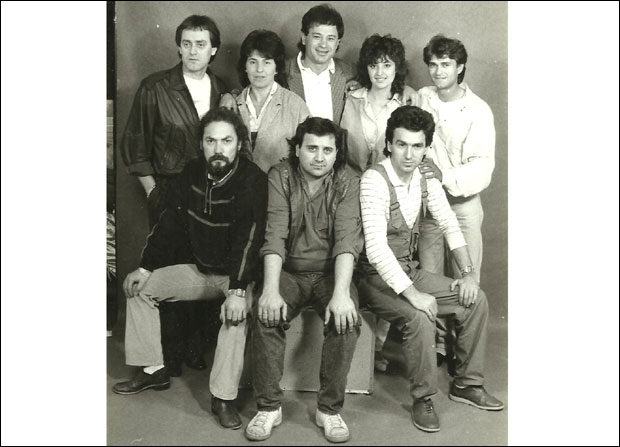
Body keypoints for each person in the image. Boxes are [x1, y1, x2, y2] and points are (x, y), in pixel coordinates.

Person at [113, 108, 268, 431]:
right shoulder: (193, 172)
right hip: (201, 272)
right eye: (211, 141)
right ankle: (153, 370)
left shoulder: (252, 180)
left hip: (237, 277)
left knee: (236, 316)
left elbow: (249, 241)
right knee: (139, 289)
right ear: (201, 144)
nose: (218, 149)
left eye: (226, 141)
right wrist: (145, 268)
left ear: (239, 144)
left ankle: (222, 398)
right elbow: (169, 223)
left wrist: (238, 291)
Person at [357, 106, 503, 434]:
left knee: (474, 299)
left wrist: (467, 273)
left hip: (408, 270)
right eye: (402, 144)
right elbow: (376, 249)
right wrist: (414, 295)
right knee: (419, 315)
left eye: (417, 146)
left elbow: (449, 222)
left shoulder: (425, 176)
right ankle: (423, 398)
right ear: (389, 144)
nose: (409, 154)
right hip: (372, 278)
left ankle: (467, 384)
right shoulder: (374, 180)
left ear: (426, 147)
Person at [120, 15, 235, 377]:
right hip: (170, 192)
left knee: (202, 268)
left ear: (213, 50)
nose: (193, 51)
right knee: (168, 267)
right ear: (178, 47)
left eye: (201, 44)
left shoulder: (221, 89)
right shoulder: (156, 87)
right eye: (186, 44)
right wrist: (154, 192)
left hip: (211, 193)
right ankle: (167, 353)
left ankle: (193, 347)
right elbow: (135, 147)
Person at [245, 117, 364, 443]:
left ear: (337, 153)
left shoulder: (348, 180)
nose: (319, 157)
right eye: (312, 148)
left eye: (328, 150)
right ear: (297, 149)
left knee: (347, 318)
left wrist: (341, 294)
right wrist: (270, 290)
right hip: (290, 272)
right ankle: (269, 407)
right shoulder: (281, 175)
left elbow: (347, 241)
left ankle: (329, 409)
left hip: (329, 274)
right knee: (265, 314)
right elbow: (275, 234)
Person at [340, 33, 418, 372]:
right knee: (354, 261)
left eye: (387, 65)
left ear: (397, 68)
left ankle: (378, 348)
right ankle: (355, 348)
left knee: (387, 264)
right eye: (374, 65)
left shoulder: (406, 104)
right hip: (351, 191)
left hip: (389, 194)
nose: (380, 72)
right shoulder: (350, 98)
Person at [416, 35, 496, 364]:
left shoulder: (478, 110)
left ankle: (463, 351)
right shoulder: (422, 97)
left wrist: (444, 175)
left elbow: (482, 167)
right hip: (429, 207)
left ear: (460, 67)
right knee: (430, 278)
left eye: (446, 64)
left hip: (463, 205)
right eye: (433, 64)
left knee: (467, 280)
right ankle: (437, 346)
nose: (438, 71)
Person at [285, 4, 417, 124]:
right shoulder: (282, 73)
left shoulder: (350, 73)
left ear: (338, 43)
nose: (323, 45)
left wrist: (405, 89)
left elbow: (382, 81)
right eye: (317, 37)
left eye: (330, 38)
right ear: (304, 38)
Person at [235, 29, 310, 173]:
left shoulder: (295, 105)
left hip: (281, 184)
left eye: (267, 62)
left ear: (277, 68)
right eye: (253, 62)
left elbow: (308, 153)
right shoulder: (233, 104)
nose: (259, 69)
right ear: (245, 67)